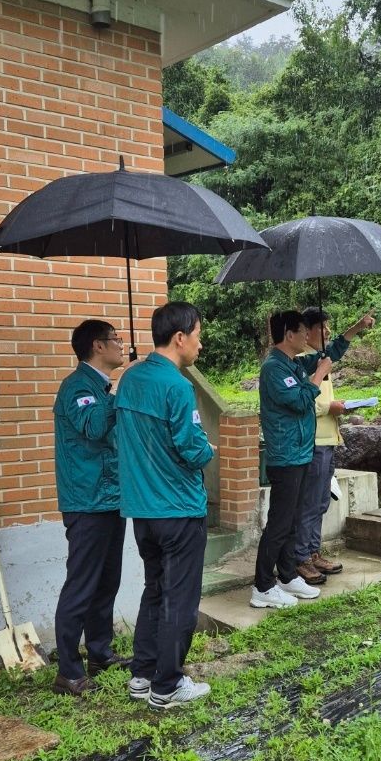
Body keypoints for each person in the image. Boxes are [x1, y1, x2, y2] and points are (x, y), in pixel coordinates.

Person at [115, 302, 216, 709]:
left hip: (143, 511)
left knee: (154, 590)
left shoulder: (130, 377)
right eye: (197, 335)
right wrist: (207, 449)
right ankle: (168, 685)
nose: (200, 343)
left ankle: (142, 675)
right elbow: (191, 448)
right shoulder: (176, 386)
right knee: (180, 599)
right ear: (179, 338)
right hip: (178, 509)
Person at [251, 309, 369, 609]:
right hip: (286, 456)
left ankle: (288, 575)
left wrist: (354, 328)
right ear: (288, 335)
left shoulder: (294, 364)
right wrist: (318, 374)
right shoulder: (274, 369)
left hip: (301, 453)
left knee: (292, 520)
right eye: (303, 331)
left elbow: (331, 353)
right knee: (279, 523)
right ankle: (263, 586)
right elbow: (302, 400)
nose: (308, 336)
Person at [52, 319, 128, 697]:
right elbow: (96, 427)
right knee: (82, 584)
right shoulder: (78, 387)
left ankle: (100, 652)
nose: (121, 345)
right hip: (87, 501)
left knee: (107, 582)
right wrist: (121, 396)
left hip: (110, 497)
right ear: (98, 346)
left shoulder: (100, 387)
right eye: (116, 339)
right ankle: (68, 671)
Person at [293, 307, 375, 585]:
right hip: (312, 442)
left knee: (320, 502)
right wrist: (333, 407)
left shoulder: (320, 359)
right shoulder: (301, 363)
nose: (328, 332)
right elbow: (306, 403)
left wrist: (358, 326)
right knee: (309, 502)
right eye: (323, 327)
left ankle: (313, 552)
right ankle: (301, 558)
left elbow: (337, 348)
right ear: (307, 332)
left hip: (328, 441)